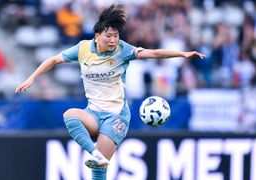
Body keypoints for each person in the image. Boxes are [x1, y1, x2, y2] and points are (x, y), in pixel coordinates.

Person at [15, 4, 205, 180]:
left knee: (98, 171)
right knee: (70, 116)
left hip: (116, 117)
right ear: (96, 36)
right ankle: (95, 153)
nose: (113, 40)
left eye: (116, 35)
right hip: (93, 113)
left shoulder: (123, 50)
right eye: (109, 35)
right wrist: (31, 78)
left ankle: (97, 156)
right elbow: (54, 60)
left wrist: (182, 53)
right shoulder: (82, 49)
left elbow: (152, 53)